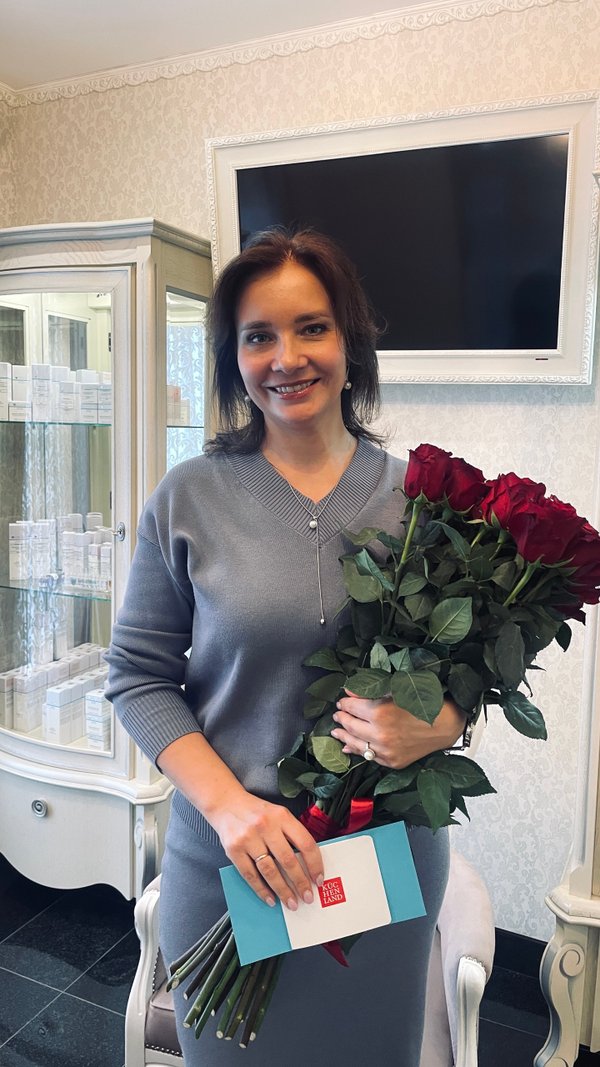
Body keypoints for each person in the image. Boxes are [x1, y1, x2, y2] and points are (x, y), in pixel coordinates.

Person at [106, 228, 467, 1066]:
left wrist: (443, 721)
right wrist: (231, 809)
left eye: (312, 327)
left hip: (383, 872)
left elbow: (466, 670)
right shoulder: (188, 496)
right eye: (258, 335)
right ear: (232, 357)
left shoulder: (420, 500)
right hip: (233, 870)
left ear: (351, 340)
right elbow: (137, 676)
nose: (286, 357)